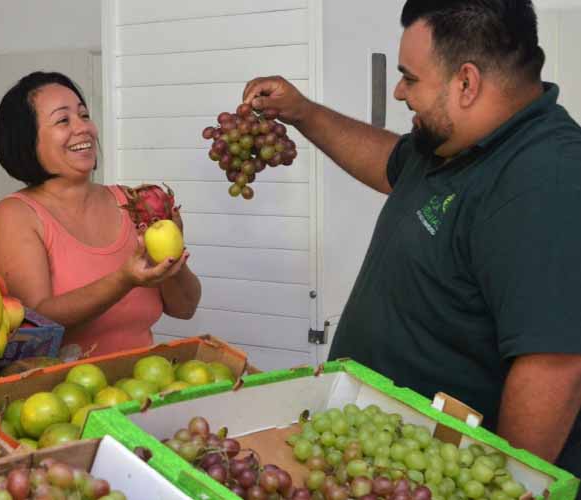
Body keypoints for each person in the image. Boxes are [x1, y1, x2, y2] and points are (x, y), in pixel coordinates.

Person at [243, 0, 581, 475]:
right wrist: (302, 112)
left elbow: (555, 367)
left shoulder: (548, 179)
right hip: (373, 453)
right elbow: (391, 164)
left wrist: (507, 484)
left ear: (466, 83)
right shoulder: (452, 140)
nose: (400, 91)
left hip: (432, 474)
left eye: (410, 77)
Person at [0, 71, 201, 358]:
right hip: (61, 384)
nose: (84, 128)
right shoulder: (16, 215)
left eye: (84, 115)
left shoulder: (133, 203)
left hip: (146, 379)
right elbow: (35, 322)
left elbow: (185, 308)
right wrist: (124, 280)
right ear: (27, 140)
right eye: (63, 120)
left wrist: (172, 258)